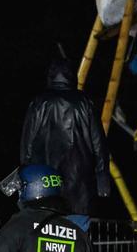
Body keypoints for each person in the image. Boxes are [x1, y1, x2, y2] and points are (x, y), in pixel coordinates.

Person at [19, 57, 111, 217]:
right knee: (76, 231)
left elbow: (26, 144)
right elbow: (99, 144)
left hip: (45, 183)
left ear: (50, 76)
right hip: (79, 183)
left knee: (45, 232)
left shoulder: (39, 102)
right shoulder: (85, 102)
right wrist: (102, 175)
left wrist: (24, 174)